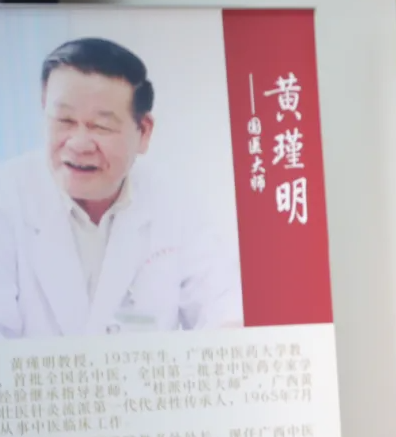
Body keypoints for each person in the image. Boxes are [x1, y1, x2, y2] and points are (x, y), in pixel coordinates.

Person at [0, 37, 243, 339]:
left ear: (144, 132)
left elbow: (225, 303)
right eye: (64, 120)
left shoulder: (172, 199)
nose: (78, 144)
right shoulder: (8, 197)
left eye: (100, 126)